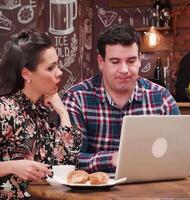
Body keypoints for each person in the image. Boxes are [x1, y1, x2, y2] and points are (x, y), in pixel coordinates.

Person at [0, 30, 82, 199]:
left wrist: (63, 112)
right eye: (50, 68)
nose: (59, 72)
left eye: (57, 65)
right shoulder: (0, 110)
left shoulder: (39, 112)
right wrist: (10, 166)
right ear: (26, 74)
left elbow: (65, 164)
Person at [62, 24, 180, 173]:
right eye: (115, 62)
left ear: (139, 60)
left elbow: (180, 155)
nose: (124, 70)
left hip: (148, 189)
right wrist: (112, 159)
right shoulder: (76, 98)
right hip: (94, 192)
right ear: (101, 62)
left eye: (131, 61)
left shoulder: (161, 98)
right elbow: (70, 159)